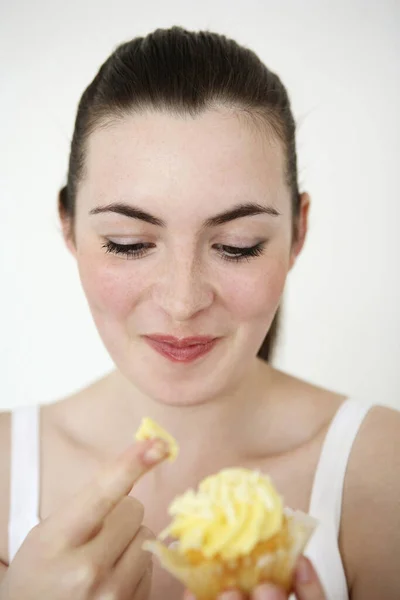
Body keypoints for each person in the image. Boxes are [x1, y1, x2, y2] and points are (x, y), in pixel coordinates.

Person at [0, 25, 399, 600]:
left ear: (298, 232)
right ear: (68, 226)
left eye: (237, 245)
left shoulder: (384, 472)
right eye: (128, 243)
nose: (183, 302)